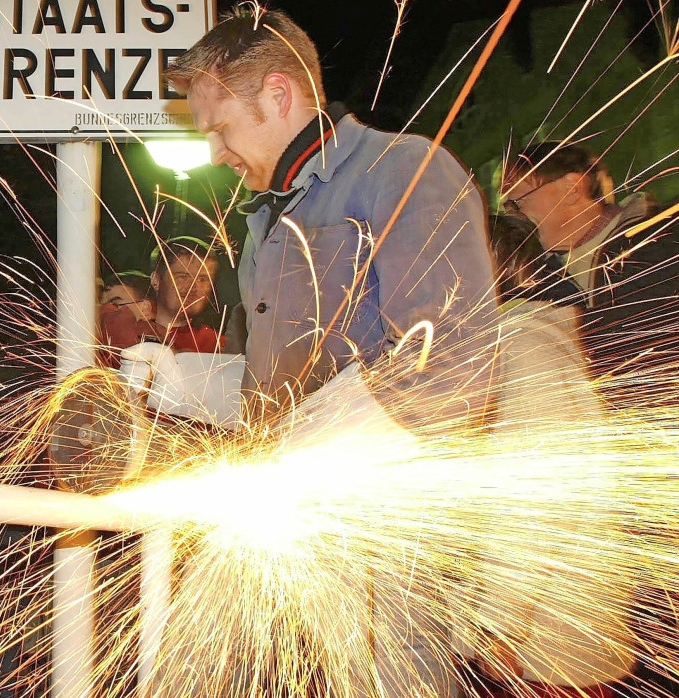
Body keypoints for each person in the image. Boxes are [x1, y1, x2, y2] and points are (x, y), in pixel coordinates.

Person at [164, 7, 497, 697]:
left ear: (279, 95)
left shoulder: (405, 170)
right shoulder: (266, 220)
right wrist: (172, 380)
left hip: (390, 530)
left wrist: (318, 445)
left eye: (221, 128)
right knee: (191, 669)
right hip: (285, 513)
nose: (217, 152)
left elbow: (452, 366)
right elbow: (279, 390)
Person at [457, 215, 636, 698]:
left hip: (546, 650)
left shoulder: (521, 348)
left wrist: (500, 624)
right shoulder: (520, 339)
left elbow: (539, 506)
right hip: (537, 640)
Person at [502, 140, 679, 407]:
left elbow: (650, 330)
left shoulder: (662, 242)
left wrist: (569, 324)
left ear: (572, 188)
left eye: (517, 202)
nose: (513, 216)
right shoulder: (533, 275)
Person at [99, 236, 225, 367]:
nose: (193, 287)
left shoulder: (218, 345)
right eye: (183, 276)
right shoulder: (119, 333)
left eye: (202, 279)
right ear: (156, 280)